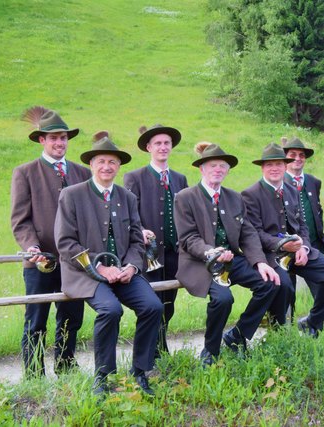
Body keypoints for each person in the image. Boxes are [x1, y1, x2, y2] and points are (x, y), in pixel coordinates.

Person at [55, 132, 163, 395]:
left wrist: (132, 267)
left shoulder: (127, 197)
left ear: (118, 167)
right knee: (110, 310)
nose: (107, 167)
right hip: (85, 273)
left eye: (112, 162)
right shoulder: (71, 195)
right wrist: (99, 267)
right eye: (101, 161)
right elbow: (66, 243)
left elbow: (138, 241)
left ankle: (140, 371)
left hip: (123, 272)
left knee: (153, 306)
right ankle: (102, 377)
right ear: (92, 164)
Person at [174, 142, 281, 366]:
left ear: (228, 170)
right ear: (202, 169)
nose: (218, 170)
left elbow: (248, 233)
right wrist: (210, 252)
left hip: (231, 259)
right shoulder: (185, 197)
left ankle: (237, 336)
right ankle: (210, 352)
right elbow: (188, 238)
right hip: (199, 262)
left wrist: (260, 262)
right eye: (213, 165)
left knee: (269, 282)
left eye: (222, 166)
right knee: (223, 299)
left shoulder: (235, 198)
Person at [11, 107, 91, 377]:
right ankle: (34, 374)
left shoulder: (82, 173)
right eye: (53, 138)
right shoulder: (25, 173)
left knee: (72, 318)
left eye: (63, 138)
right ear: (41, 141)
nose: (59, 143)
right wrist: (31, 247)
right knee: (35, 320)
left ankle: (66, 366)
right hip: (40, 262)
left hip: (75, 263)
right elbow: (20, 220)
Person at [243, 143, 324, 336]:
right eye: (270, 164)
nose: (274, 168)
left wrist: (304, 247)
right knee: (285, 286)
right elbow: (255, 233)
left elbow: (302, 225)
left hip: (297, 252)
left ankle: (312, 322)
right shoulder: (250, 194)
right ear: (262, 168)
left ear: (285, 166)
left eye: (279, 164)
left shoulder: (291, 190)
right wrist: (283, 244)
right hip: (271, 255)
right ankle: (279, 334)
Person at [124, 124, 188, 357]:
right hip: (147, 254)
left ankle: (160, 345)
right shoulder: (135, 177)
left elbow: (187, 213)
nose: (163, 147)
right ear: (149, 147)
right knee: (152, 303)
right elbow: (128, 213)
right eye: (158, 143)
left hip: (174, 253)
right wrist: (140, 230)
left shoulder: (180, 179)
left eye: (167, 143)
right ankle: (150, 350)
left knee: (169, 302)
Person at [282, 136, 324, 327]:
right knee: (286, 291)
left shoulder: (313, 181)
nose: (297, 159)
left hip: (312, 244)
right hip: (284, 248)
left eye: (301, 155)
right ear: (285, 159)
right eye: (292, 155)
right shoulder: (278, 181)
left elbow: (317, 211)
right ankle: (286, 332)